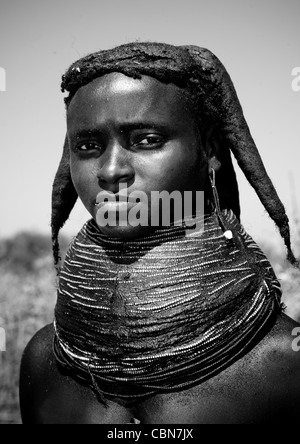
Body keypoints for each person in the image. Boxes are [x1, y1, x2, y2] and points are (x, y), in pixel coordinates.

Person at [19, 42, 300, 424]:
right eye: (87, 146)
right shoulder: (43, 359)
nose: (110, 170)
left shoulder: (284, 361)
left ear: (210, 149)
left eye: (146, 140)